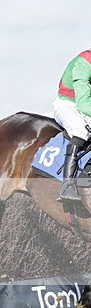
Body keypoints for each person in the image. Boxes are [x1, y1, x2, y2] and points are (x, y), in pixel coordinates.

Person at [53, 50, 91, 203]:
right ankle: (67, 185)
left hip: (86, 104)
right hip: (68, 104)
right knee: (81, 131)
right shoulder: (85, 62)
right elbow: (83, 104)